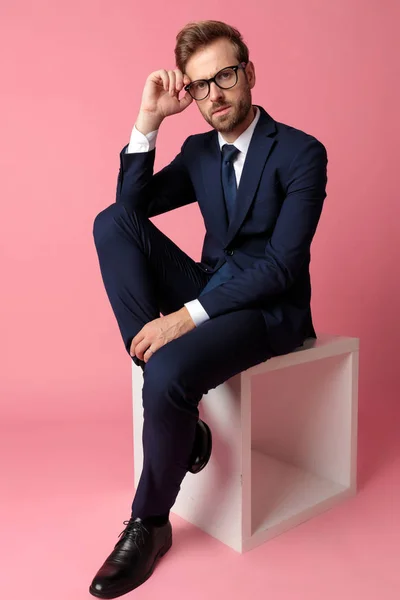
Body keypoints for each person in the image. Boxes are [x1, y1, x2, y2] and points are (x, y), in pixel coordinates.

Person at [89, 19, 328, 599]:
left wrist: (183, 318)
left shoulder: (300, 152)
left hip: (270, 308)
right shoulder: (199, 150)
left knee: (170, 368)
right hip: (212, 283)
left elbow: (280, 268)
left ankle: (149, 522)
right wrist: (148, 122)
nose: (213, 95)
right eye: (200, 86)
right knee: (109, 223)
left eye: (223, 76)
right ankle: (184, 423)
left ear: (248, 73)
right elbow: (132, 209)